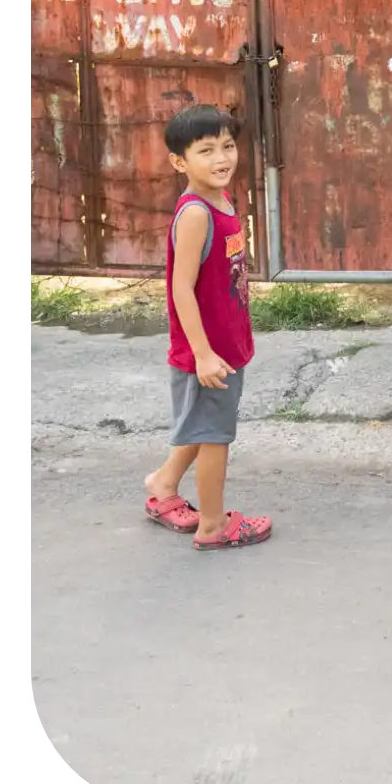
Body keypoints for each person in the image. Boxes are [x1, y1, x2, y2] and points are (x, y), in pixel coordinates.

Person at [142, 105, 273, 549]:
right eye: (206, 151)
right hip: (207, 352)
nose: (222, 158)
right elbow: (181, 290)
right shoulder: (196, 213)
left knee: (203, 425)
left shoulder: (220, 197)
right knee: (215, 436)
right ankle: (214, 525)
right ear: (180, 162)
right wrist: (201, 352)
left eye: (228, 146)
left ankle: (163, 484)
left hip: (223, 343)